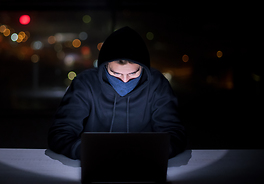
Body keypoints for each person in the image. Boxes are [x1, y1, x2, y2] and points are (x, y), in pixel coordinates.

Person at [48, 26, 186, 159]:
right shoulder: (85, 83)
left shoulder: (157, 84)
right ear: (105, 66)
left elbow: (174, 133)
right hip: (94, 165)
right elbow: (61, 133)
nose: (125, 80)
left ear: (143, 68)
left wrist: (148, 154)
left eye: (133, 74)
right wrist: (91, 153)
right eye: (116, 74)